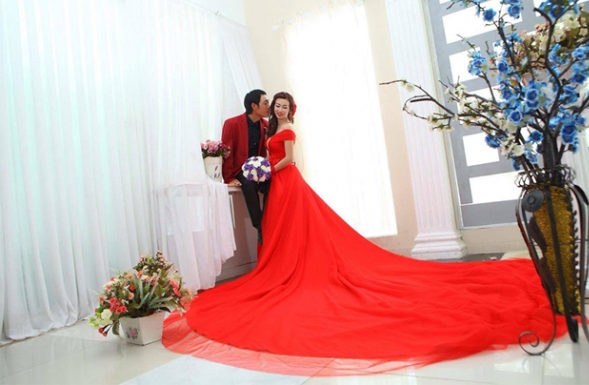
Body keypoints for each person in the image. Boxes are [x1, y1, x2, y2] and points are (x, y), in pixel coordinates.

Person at [164, 92, 566, 370]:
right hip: (277, 185)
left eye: (284, 105)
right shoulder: (268, 130)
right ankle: (282, 264)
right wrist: (259, 168)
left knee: (299, 228)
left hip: (287, 181)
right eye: (277, 104)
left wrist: (267, 168)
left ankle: (298, 268)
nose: (280, 108)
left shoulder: (286, 131)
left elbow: (288, 160)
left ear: (291, 110)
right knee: (280, 228)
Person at [221, 89, 271, 244]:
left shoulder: (266, 125)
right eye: (265, 103)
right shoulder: (232, 123)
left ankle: (270, 220)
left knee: (273, 182)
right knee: (249, 184)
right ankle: (261, 226)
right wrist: (229, 178)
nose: (268, 106)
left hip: (259, 168)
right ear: (254, 106)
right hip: (240, 169)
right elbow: (227, 152)